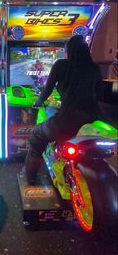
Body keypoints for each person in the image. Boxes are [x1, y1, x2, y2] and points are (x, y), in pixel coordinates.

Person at [25, 35, 103, 185]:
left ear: (69, 51)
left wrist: (38, 102)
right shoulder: (94, 68)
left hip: (67, 120)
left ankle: (31, 177)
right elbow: (99, 96)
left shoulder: (61, 65)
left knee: (36, 136)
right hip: (91, 122)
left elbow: (46, 91)